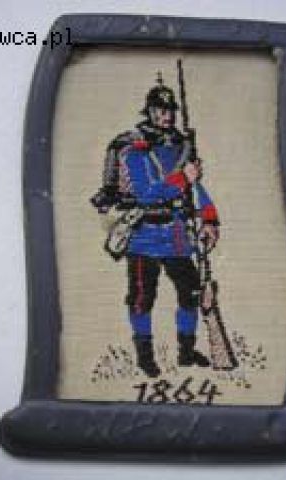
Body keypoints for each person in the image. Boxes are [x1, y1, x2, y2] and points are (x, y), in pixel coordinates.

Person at [93, 75, 220, 378]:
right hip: (144, 234)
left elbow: (195, 189)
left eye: (170, 110)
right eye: (161, 110)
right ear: (149, 111)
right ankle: (145, 358)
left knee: (190, 293)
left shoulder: (181, 146)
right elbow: (146, 193)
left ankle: (187, 352)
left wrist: (209, 219)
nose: (167, 116)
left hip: (177, 234)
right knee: (141, 299)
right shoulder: (133, 148)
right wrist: (183, 178)